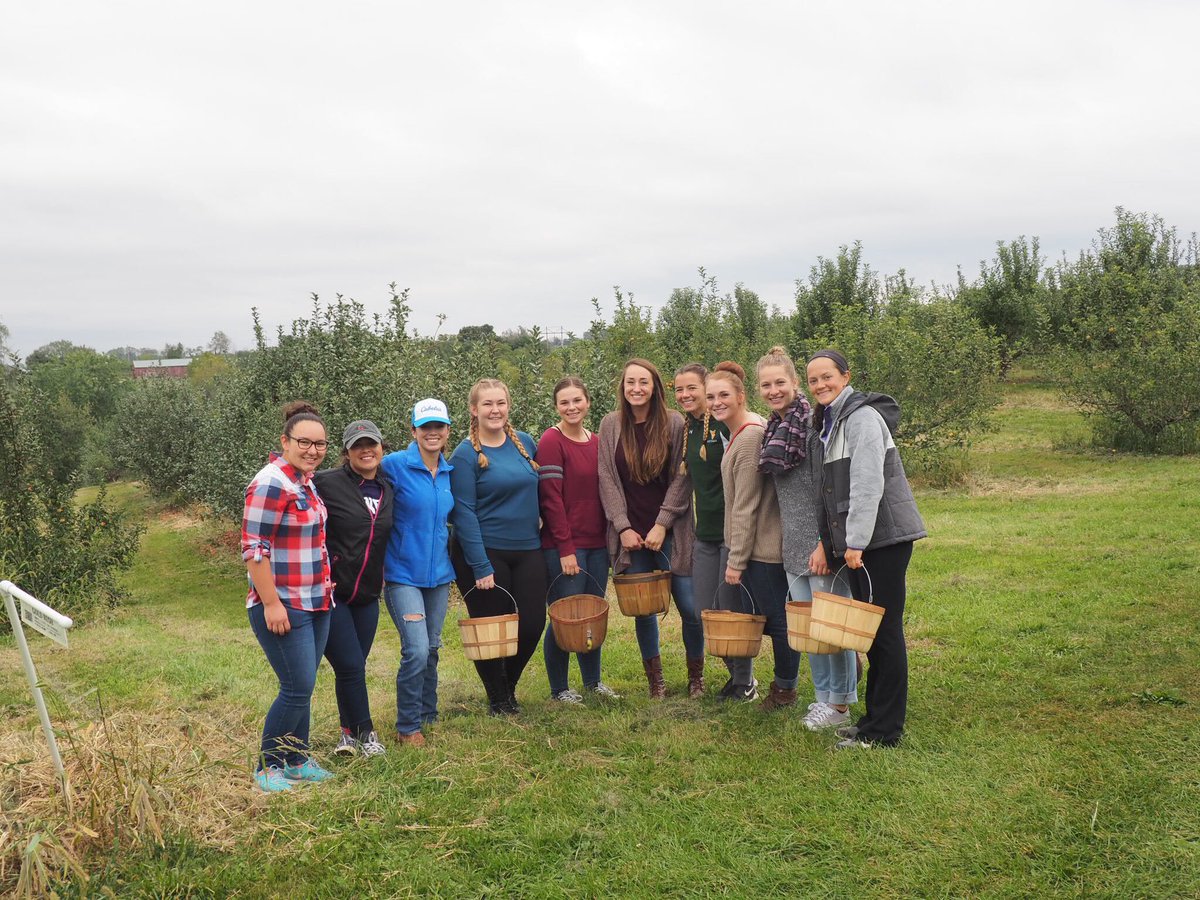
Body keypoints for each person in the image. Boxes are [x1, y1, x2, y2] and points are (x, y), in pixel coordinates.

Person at [806, 349, 927, 749]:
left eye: (828, 377)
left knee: (885, 633)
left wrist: (855, 541)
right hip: (863, 544)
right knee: (872, 634)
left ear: (846, 375)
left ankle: (885, 731)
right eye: (814, 380)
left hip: (881, 541)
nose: (821, 385)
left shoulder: (860, 418)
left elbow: (867, 483)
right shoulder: (830, 422)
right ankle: (872, 720)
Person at [756, 347, 858, 730]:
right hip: (792, 542)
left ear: (794, 383)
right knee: (811, 631)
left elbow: (825, 488)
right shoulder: (774, 428)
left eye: (780, 382)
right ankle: (822, 699)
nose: (773, 390)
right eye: (766, 384)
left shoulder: (813, 426)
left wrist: (822, 541)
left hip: (820, 540)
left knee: (833, 625)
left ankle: (842, 704)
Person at [241, 401, 336, 792]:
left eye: (320, 444)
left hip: (316, 600)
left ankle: (296, 760)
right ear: (285, 441)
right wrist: (272, 603)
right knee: (295, 687)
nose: (313, 450)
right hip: (285, 604)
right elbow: (254, 548)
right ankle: (267, 766)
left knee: (305, 686)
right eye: (304, 442)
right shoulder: (271, 482)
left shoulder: (305, 481)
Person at [597, 358, 703, 699]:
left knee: (689, 607)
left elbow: (682, 476)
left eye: (643, 382)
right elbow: (607, 480)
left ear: (655, 386)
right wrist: (623, 527)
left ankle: (695, 677)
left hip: (671, 531)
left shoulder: (674, 423)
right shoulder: (611, 425)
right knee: (643, 609)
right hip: (632, 534)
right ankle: (655, 681)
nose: (636, 388)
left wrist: (662, 524)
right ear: (623, 387)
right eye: (630, 382)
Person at [449, 379, 547, 715]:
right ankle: (497, 698)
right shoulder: (465, 455)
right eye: (488, 404)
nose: (495, 410)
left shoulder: (525, 444)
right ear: (474, 410)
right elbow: (464, 513)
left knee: (533, 623)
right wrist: (480, 565)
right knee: (490, 629)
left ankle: (508, 684)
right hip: (485, 550)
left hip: (528, 548)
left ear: (509, 406)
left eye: (501, 403)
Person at [706, 363, 800, 710]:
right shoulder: (744, 430)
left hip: (762, 548)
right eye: (711, 396)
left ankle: (785, 689)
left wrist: (736, 559)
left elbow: (746, 506)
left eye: (724, 395)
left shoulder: (748, 438)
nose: (716, 402)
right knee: (770, 617)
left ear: (741, 396)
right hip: (757, 546)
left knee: (777, 621)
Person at [675, 362, 756, 701]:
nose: (686, 395)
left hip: (730, 530)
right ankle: (736, 675)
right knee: (704, 611)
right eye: (679, 390)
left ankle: (744, 681)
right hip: (704, 531)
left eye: (692, 388)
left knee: (732, 610)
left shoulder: (725, 427)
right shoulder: (688, 429)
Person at [314, 419, 395, 758]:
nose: (366, 450)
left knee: (353, 666)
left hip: (367, 595)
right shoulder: (326, 483)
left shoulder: (388, 488)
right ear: (346, 452)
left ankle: (347, 735)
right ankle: (368, 733)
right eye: (357, 445)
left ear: (381, 448)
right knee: (349, 664)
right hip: (333, 592)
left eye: (371, 444)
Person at [537, 377, 621, 702]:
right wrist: (565, 548)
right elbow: (551, 500)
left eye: (577, 401)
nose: (572, 407)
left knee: (592, 614)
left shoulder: (596, 441)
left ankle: (592, 682)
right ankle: (559, 688)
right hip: (564, 547)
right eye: (564, 402)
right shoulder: (551, 441)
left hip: (597, 545)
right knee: (564, 616)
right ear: (556, 406)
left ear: (587, 402)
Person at [380, 399, 456, 746]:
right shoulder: (395, 464)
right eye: (425, 427)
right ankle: (407, 726)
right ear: (413, 431)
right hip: (402, 575)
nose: (432, 433)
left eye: (438, 426)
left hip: (439, 575)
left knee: (434, 647)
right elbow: (360, 481)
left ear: (447, 431)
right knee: (417, 649)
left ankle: (429, 713)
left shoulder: (449, 472)